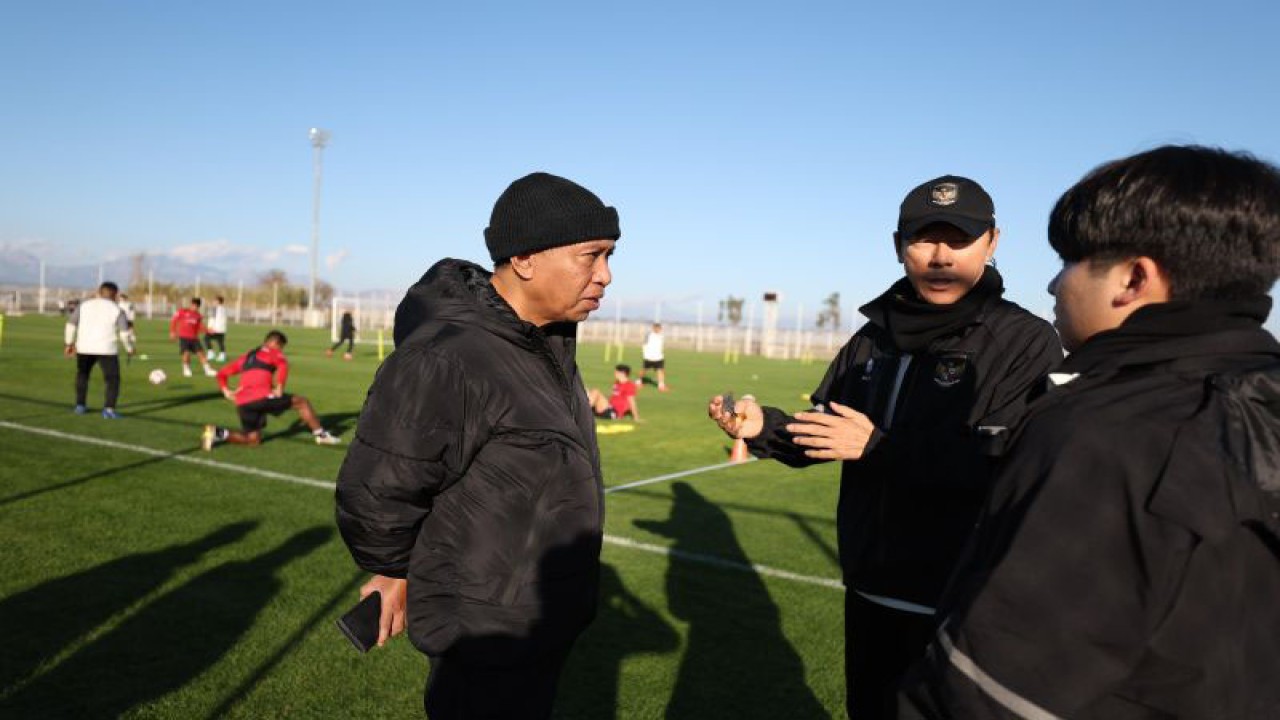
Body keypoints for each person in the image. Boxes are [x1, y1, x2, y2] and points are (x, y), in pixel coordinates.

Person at [899, 146, 1280, 718]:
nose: (1055, 284)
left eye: (1071, 261)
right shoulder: (1262, 393)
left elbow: (992, 690)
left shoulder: (1108, 432)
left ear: (1133, 278)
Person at [708, 175, 1062, 719]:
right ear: (898, 246)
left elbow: (1012, 466)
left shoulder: (1025, 341)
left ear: (992, 242)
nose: (940, 256)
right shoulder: (872, 337)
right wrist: (763, 427)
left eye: (959, 239)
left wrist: (879, 448)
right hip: (870, 588)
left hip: (961, 599)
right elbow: (828, 432)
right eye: (923, 239)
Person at [335, 171, 619, 719]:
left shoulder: (547, 343)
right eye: (591, 256)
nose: (605, 275)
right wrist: (396, 569)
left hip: (537, 621)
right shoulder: (448, 356)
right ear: (525, 259)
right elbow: (377, 492)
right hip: (484, 633)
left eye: (609, 256)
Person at [202, 330, 340, 449]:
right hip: (261, 397)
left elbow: (221, 374)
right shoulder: (273, 352)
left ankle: (217, 432)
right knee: (302, 402)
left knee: (253, 440)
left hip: (243, 403)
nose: (281, 351)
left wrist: (226, 391)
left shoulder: (246, 357)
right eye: (281, 347)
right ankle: (321, 435)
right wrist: (280, 386)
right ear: (275, 343)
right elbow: (283, 365)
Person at [64, 281, 134, 419]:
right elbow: (124, 334)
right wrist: (129, 348)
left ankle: (80, 406)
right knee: (112, 379)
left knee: (83, 375)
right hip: (107, 349)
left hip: (84, 347)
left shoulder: (84, 305)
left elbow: (70, 325)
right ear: (115, 294)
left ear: (100, 292)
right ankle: (109, 409)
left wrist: (69, 344)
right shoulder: (117, 310)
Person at [169, 297, 216, 377]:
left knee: (201, 354)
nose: (195, 307)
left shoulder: (198, 316)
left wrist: (208, 330)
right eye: (193, 305)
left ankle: (208, 370)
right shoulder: (182, 311)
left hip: (194, 338)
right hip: (184, 337)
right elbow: (174, 321)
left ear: (199, 307)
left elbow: (199, 327)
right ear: (191, 304)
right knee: (186, 353)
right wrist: (172, 332)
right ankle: (186, 369)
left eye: (197, 306)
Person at [638, 322, 668, 390]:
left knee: (660, 370)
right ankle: (639, 381)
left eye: (659, 328)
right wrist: (645, 352)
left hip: (658, 357)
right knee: (644, 370)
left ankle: (661, 385)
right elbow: (644, 344)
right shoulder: (649, 335)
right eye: (656, 328)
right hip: (648, 357)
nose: (658, 329)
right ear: (653, 328)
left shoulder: (662, 336)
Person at [205, 295, 228, 362]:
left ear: (218, 301)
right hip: (222, 329)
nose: (213, 302)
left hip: (215, 328)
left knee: (206, 338)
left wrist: (210, 328)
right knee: (220, 342)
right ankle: (222, 356)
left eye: (214, 301)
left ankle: (211, 353)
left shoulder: (214, 308)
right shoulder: (224, 309)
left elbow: (212, 319)